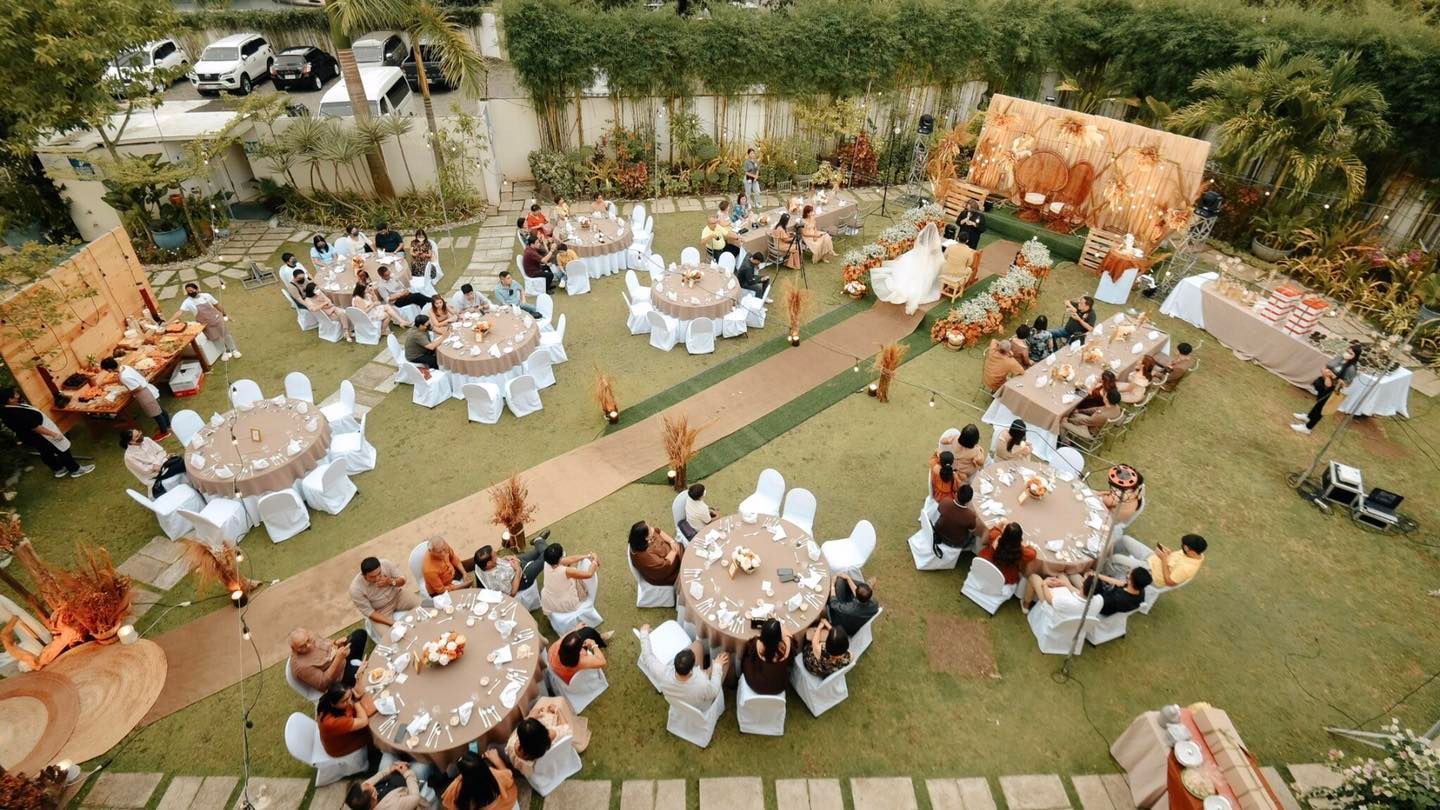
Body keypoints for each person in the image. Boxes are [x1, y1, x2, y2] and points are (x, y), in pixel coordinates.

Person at [0, 387, 91, 479]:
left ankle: (58, 469)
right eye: (15, 394)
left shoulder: (7, 409)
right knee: (61, 448)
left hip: (30, 436)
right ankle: (75, 470)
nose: (18, 395)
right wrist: (53, 434)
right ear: (10, 399)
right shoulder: (15, 412)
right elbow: (35, 427)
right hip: (40, 434)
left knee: (45, 451)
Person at [639, 625, 726, 709]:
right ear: (693, 667)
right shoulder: (702, 684)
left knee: (697, 644)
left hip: (683, 693)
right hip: (700, 703)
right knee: (725, 657)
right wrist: (717, 667)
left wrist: (643, 633)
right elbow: (714, 691)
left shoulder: (663, 674)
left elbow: (647, 656)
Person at [505, 698, 590, 778]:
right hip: (556, 757)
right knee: (559, 702)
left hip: (540, 773)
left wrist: (530, 718)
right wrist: (557, 710)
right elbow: (566, 729)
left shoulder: (512, 747)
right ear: (542, 729)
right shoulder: (552, 735)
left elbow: (518, 735)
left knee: (542, 707)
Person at [1293, 341, 1361, 434]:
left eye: (1351, 353)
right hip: (1324, 383)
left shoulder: (1351, 368)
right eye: (1347, 351)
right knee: (1318, 403)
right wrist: (1326, 375)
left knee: (1321, 407)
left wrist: (1332, 377)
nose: (1347, 353)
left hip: (1332, 389)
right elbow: (1327, 366)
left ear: (1355, 356)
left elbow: (1346, 384)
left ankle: (1308, 428)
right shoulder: (1340, 358)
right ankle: (1308, 417)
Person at [877, 222, 943, 315]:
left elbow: (916, 245)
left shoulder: (921, 236)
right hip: (926, 261)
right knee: (930, 272)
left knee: (906, 269)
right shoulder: (936, 242)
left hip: (916, 256)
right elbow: (936, 252)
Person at [316, 684, 382, 774]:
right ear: (333, 704)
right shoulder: (332, 722)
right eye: (344, 701)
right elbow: (363, 721)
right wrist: (356, 702)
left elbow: (348, 693)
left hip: (340, 735)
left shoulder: (327, 700)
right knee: (374, 729)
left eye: (349, 696)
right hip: (341, 746)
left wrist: (351, 694)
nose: (349, 701)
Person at [98, 357, 170, 439]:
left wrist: (128, 392)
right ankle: (167, 424)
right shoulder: (125, 367)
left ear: (109, 369)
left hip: (144, 393)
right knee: (158, 409)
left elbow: (138, 388)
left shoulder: (123, 377)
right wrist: (107, 382)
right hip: (146, 388)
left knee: (155, 413)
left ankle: (164, 432)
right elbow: (125, 379)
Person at [289, 626, 369, 694]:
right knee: (365, 673)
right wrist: (338, 659)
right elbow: (324, 684)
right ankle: (354, 672)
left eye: (308, 640)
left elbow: (327, 643)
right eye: (302, 646)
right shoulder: (301, 667)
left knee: (360, 634)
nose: (309, 645)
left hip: (342, 657)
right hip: (339, 678)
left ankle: (354, 666)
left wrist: (336, 643)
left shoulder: (312, 636)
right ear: (294, 649)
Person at [1107, 533, 1207, 586]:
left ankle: (1100, 574)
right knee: (1125, 539)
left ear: (1191, 550)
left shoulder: (1187, 568)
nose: (1182, 547)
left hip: (1152, 573)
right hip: (1154, 558)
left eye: (1184, 546)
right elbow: (1177, 559)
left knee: (1117, 559)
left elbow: (1169, 582)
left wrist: (1164, 560)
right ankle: (1107, 559)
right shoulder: (1197, 553)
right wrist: (1168, 554)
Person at [349, 557, 421, 629]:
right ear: (364, 576)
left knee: (424, 606)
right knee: (388, 635)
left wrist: (391, 582)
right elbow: (370, 612)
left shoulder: (385, 564)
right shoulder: (355, 589)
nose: (377, 578)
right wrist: (394, 623)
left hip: (398, 595)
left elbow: (403, 580)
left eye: (379, 573)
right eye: (372, 577)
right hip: (381, 611)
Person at [175, 282, 240, 360]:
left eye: (192, 291)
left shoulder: (206, 296)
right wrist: (168, 323)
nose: (190, 293)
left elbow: (217, 305)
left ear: (197, 289)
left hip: (216, 319)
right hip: (205, 324)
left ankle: (234, 350)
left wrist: (225, 314)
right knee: (215, 338)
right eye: (188, 292)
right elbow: (179, 312)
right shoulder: (188, 302)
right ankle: (223, 352)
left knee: (226, 335)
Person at [473, 535, 549, 596]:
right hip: (522, 577)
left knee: (537, 553)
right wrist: (518, 570)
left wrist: (505, 558)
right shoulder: (496, 582)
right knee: (546, 556)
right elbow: (512, 592)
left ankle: (539, 541)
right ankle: (539, 541)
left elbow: (497, 561)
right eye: (494, 555)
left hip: (513, 562)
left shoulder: (479, 565)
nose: (496, 554)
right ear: (488, 563)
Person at [443, 750, 517, 810]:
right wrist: (497, 759)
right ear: (484, 766)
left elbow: (447, 805)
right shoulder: (498, 777)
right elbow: (508, 776)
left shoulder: (455, 788)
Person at [120, 428, 184, 497]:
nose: (140, 436)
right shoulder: (129, 457)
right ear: (131, 442)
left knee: (180, 460)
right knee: (182, 464)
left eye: (139, 433)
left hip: (164, 464)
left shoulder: (146, 440)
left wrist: (158, 462)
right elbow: (146, 470)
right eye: (137, 436)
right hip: (155, 476)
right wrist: (160, 461)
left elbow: (161, 451)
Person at [539, 543, 598, 614]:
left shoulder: (547, 562)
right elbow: (589, 574)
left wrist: (587, 556)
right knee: (575, 574)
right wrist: (595, 560)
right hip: (564, 603)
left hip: (548, 600)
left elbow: (570, 559)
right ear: (560, 558)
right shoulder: (566, 571)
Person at [547, 624, 611, 685]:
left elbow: (565, 637)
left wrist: (575, 629)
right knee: (589, 633)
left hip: (558, 667)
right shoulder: (580, 662)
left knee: (588, 631)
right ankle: (600, 640)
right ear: (579, 650)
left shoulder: (554, 647)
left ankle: (599, 637)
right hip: (572, 677)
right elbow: (602, 662)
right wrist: (593, 644)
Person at [977, 521, 1036, 586]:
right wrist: (1024, 545)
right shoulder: (1022, 551)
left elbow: (995, 529)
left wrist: (1002, 523)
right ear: (1020, 538)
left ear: (1004, 533)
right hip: (1004, 577)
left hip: (985, 567)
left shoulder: (995, 536)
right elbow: (1033, 553)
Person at [347, 760, 424, 810]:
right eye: (368, 785)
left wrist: (390, 769)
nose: (368, 783)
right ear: (374, 795)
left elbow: (371, 782)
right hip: (409, 785)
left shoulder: (361, 797)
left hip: (390, 779)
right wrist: (407, 773)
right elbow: (415, 798)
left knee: (388, 756)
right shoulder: (394, 807)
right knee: (421, 766)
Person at [628, 520, 681, 586]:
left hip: (670, 555)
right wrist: (675, 550)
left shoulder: (638, 540)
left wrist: (671, 541)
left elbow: (657, 531)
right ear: (646, 538)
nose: (652, 528)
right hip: (667, 573)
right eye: (649, 529)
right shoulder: (647, 556)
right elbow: (665, 565)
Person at [826, 572, 878, 637]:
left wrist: (832, 585)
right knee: (841, 580)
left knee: (834, 591)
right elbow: (858, 594)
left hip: (845, 625)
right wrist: (848, 578)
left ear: (856, 596)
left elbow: (834, 604)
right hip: (856, 618)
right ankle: (863, 585)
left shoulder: (851, 608)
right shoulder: (875, 603)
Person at [934, 485, 978, 551]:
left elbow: (939, 510)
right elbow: (972, 530)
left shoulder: (945, 501)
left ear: (956, 494)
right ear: (969, 501)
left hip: (938, 534)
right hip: (955, 543)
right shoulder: (970, 515)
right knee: (974, 535)